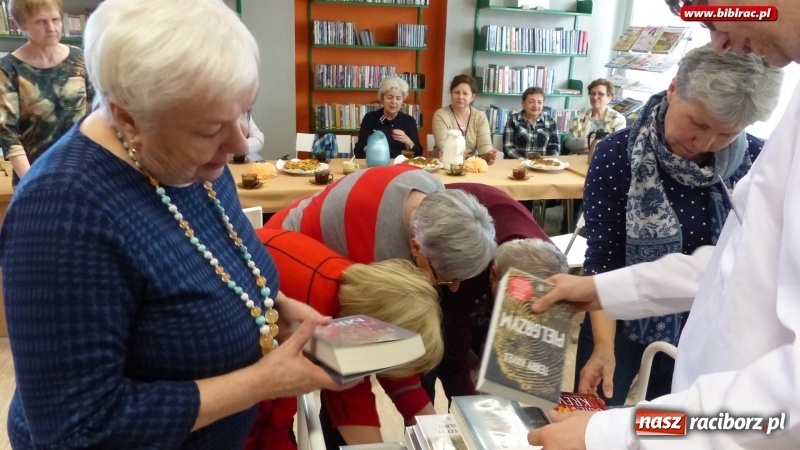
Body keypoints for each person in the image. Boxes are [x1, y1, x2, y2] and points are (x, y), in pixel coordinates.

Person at [0, 1, 349, 448]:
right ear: (128, 117)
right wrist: (262, 382)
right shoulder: (62, 214)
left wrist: (274, 306)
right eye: (209, 130)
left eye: (244, 111)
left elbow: (210, 260)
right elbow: (76, 430)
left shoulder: (192, 162)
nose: (240, 144)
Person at [527, 1, 800, 448]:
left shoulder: (759, 150)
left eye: (710, 8)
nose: (717, 38)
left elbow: (780, 405)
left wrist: (617, 433)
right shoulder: (621, 153)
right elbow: (731, 265)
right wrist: (600, 290)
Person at [575, 44, 782, 407]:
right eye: (698, 124)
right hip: (617, 320)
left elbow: (740, 264)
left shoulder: (758, 162)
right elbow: (603, 259)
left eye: (726, 133)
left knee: (672, 431)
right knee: (592, 417)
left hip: (706, 330)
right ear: (673, 89)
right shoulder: (617, 154)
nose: (704, 143)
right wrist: (604, 347)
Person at [246, 229, 443, 450]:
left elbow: (358, 385)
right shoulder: (300, 318)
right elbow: (262, 427)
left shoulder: (355, 292)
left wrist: (439, 437)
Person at [265, 164, 497, 290]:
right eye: (445, 279)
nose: (453, 288)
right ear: (416, 247)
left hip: (304, 213)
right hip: (281, 255)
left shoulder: (432, 186)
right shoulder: (383, 256)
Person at [432, 182, 553, 400]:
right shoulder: (466, 271)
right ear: (493, 274)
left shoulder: (550, 269)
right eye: (511, 302)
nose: (516, 312)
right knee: (439, 364)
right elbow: (453, 363)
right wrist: (471, 408)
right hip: (444, 236)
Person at [0, 0, 93, 188]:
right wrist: (32, 182)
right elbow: (7, 133)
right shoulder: (8, 69)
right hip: (33, 174)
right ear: (21, 25)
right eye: (41, 22)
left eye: (55, 20)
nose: (51, 28)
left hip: (83, 172)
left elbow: (98, 113)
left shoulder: (80, 58)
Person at [353, 76, 422, 159]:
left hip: (400, 168)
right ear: (382, 98)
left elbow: (419, 154)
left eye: (398, 98)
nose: (394, 102)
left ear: (402, 100)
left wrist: (408, 142)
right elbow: (357, 151)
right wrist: (369, 148)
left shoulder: (409, 121)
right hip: (376, 165)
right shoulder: (370, 118)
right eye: (390, 97)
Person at [433, 74, 498, 160]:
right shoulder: (441, 114)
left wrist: (489, 153)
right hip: (445, 162)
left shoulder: (480, 117)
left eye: (465, 93)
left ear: (472, 97)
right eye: (456, 92)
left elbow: (485, 145)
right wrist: (454, 151)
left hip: (471, 164)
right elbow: (441, 143)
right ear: (451, 93)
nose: (460, 97)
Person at [564, 78, 627, 153]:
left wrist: (584, 146)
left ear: (609, 97)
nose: (595, 97)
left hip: (605, 162)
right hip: (577, 160)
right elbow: (569, 143)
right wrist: (599, 142)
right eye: (592, 93)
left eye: (600, 94)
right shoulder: (579, 117)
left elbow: (615, 147)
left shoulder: (618, 120)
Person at [502, 86, 560, 159]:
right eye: (531, 102)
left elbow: (554, 145)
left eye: (539, 102)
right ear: (523, 104)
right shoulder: (513, 120)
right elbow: (508, 147)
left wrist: (549, 160)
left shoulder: (550, 122)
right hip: (518, 165)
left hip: (542, 166)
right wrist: (524, 161)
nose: (536, 106)